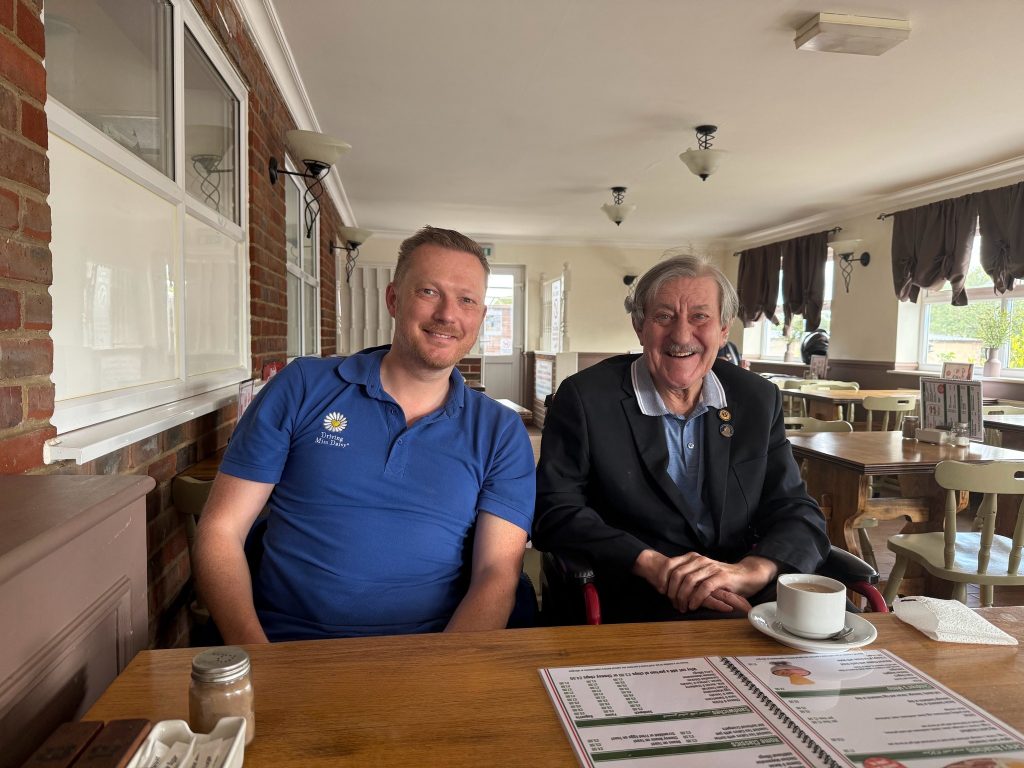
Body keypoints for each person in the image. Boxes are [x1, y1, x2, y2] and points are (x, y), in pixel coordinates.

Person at [194, 226, 536, 642]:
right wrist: (259, 659)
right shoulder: (302, 387)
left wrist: (440, 673)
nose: (448, 314)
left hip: (431, 652)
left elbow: (496, 573)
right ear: (393, 299)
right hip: (285, 647)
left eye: (467, 300)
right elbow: (221, 530)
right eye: (429, 292)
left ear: (480, 317)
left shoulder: (500, 432)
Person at [533, 255, 829, 622]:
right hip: (637, 597)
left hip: (746, 591)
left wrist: (751, 571)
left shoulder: (756, 398)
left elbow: (796, 509)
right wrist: (652, 564)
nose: (682, 335)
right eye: (664, 317)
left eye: (700, 317)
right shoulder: (585, 399)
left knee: (837, 641)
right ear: (639, 326)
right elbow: (554, 510)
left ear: (724, 329)